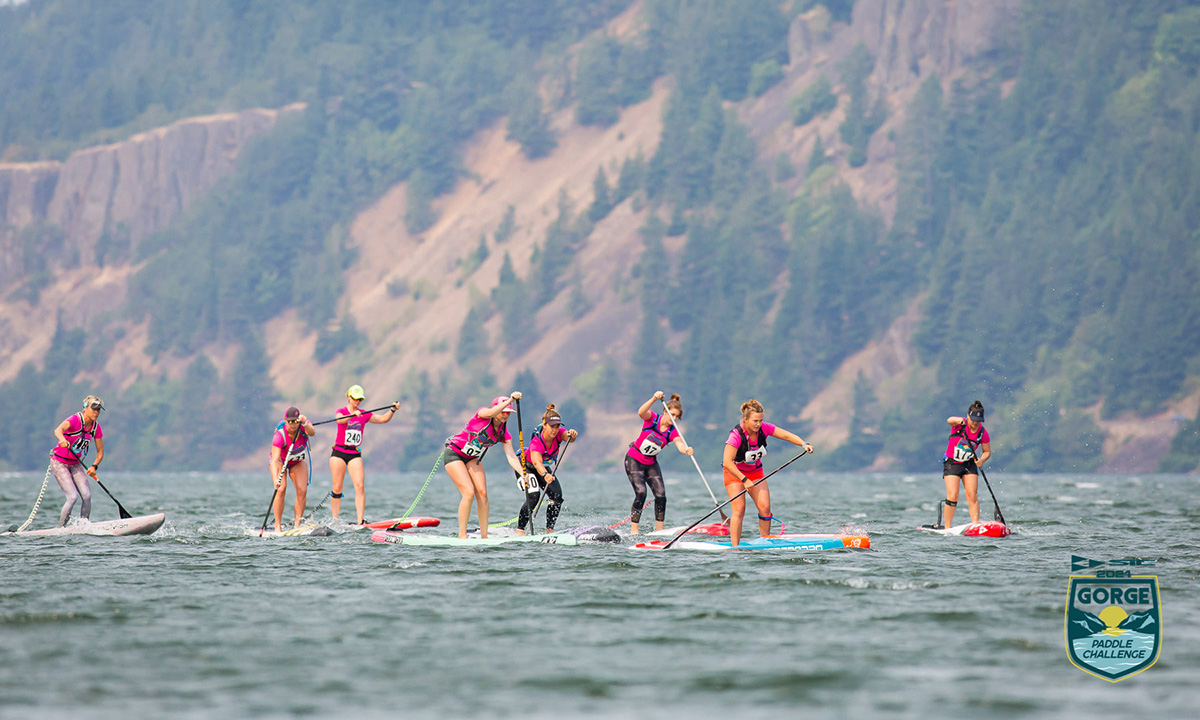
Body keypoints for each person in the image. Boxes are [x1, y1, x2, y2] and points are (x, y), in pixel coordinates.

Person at [721, 399, 814, 547]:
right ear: (745, 419)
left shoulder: (764, 429)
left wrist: (803, 444)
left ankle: (765, 543)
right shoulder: (736, 435)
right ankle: (735, 547)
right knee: (739, 510)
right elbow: (727, 462)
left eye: (760, 420)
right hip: (735, 474)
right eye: (755, 421)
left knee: (765, 509)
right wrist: (744, 479)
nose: (758, 424)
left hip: (755, 473)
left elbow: (786, 436)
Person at [444, 393, 526, 538]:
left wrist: (523, 474)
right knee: (468, 492)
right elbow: (490, 413)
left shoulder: (504, 433)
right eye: (503, 412)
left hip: (472, 458)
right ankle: (462, 535)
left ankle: (484, 536)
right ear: (496, 409)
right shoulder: (482, 414)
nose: (505, 415)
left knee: (482, 494)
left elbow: (511, 456)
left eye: (508, 413)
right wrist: (511, 400)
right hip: (454, 454)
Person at [624, 391, 693, 535]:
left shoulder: (673, 431)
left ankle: (659, 531)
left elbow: (680, 444)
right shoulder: (653, 419)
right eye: (672, 414)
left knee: (661, 495)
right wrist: (654, 398)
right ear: (665, 412)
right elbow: (641, 412)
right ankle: (634, 530)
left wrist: (686, 450)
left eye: (677, 417)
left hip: (650, 463)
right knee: (641, 492)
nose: (673, 418)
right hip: (634, 460)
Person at [329, 384, 399, 525]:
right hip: (339, 452)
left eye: (360, 399)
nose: (357, 402)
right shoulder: (341, 411)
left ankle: (360, 520)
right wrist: (351, 416)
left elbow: (383, 419)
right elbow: (339, 420)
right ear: (349, 397)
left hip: (354, 453)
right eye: (355, 399)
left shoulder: (364, 414)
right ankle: (335, 520)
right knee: (337, 487)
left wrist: (392, 410)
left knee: (360, 486)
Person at [515, 404, 579, 535]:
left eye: (557, 426)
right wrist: (545, 474)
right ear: (544, 425)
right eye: (552, 426)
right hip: (526, 467)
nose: (555, 430)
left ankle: (549, 530)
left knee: (557, 496)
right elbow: (537, 463)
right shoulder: (536, 443)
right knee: (534, 497)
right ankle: (520, 530)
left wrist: (572, 435)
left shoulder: (559, 432)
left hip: (542, 469)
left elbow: (568, 438)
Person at [50, 395, 106, 527]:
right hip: (59, 463)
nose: (96, 412)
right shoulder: (75, 419)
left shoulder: (96, 428)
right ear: (85, 408)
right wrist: (62, 439)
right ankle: (62, 529)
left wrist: (94, 466)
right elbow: (58, 430)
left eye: (98, 410)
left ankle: (83, 527)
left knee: (87, 496)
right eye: (94, 409)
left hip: (75, 464)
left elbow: (100, 452)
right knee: (72, 497)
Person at [939, 400, 991, 528]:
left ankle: (975, 525)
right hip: (952, 463)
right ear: (968, 416)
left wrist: (981, 460)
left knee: (972, 494)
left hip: (969, 464)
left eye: (978, 421)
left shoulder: (982, 433)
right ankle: (947, 527)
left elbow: (987, 451)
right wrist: (958, 420)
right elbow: (949, 420)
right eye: (973, 420)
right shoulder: (959, 424)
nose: (975, 424)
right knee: (953, 495)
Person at [269, 406, 316, 532]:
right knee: (281, 489)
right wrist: (275, 480)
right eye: (290, 422)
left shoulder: (303, 426)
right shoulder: (280, 435)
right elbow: (274, 460)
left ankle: (297, 525)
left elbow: (312, 432)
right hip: (281, 462)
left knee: (302, 490)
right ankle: (277, 526)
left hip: (297, 462)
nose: (293, 425)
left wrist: (305, 423)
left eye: (295, 421)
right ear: (285, 420)